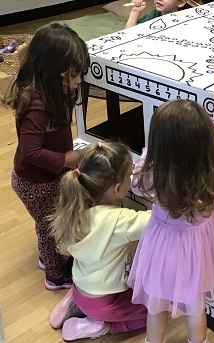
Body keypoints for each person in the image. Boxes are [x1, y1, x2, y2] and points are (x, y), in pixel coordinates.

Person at [127, 65, 214, 343]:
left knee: (156, 302)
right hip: (200, 242)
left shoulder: (152, 172)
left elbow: (135, 183)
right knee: (196, 303)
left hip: (164, 244)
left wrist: (151, 152)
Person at [5, 23, 88, 289]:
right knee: (49, 226)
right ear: (50, 71)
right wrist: (66, 160)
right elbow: (30, 152)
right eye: (73, 75)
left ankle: (47, 258)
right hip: (34, 182)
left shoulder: (55, 93)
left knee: (49, 222)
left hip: (48, 175)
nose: (78, 81)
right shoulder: (36, 105)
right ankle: (54, 275)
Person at [48, 142, 151, 341]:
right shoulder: (121, 220)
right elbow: (156, 220)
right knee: (153, 311)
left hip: (80, 288)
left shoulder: (74, 209)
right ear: (118, 188)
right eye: (130, 174)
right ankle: (99, 325)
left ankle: (75, 303)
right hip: (104, 303)